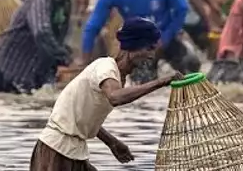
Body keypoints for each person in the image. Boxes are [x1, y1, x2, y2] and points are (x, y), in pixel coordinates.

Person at [30, 17, 182, 171]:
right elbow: (115, 97)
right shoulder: (106, 68)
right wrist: (161, 82)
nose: (151, 56)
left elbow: (84, 117)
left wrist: (112, 142)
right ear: (133, 46)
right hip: (58, 150)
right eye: (149, 48)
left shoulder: (117, 77)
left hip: (74, 150)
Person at [0, 0, 79, 94]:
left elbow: (64, 36)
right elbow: (42, 33)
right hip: (13, 64)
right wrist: (66, 59)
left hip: (37, 66)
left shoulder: (66, 1)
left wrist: (65, 59)